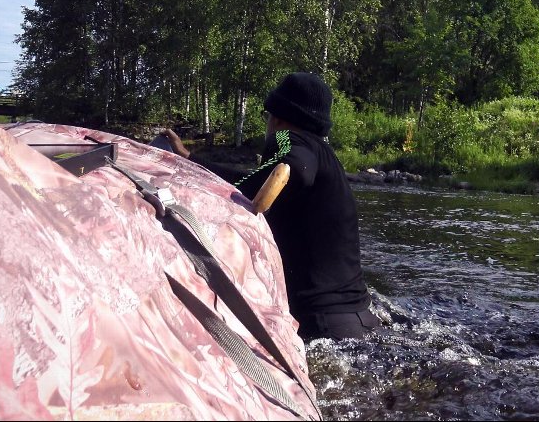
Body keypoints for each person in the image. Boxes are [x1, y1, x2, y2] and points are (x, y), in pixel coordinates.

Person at [159, 72, 379, 342]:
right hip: (359, 316)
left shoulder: (287, 138)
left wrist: (290, 168)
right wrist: (191, 159)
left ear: (277, 117)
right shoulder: (328, 158)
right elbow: (248, 182)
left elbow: (294, 160)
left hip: (324, 326)